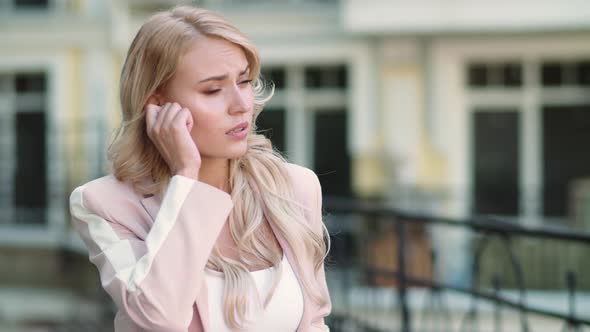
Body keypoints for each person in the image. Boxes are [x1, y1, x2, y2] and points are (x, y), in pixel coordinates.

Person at [69, 5, 331, 332]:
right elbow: (158, 319)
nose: (242, 104)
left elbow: (315, 323)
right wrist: (185, 178)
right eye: (213, 89)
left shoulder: (295, 188)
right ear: (158, 106)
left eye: (245, 81)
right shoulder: (103, 204)